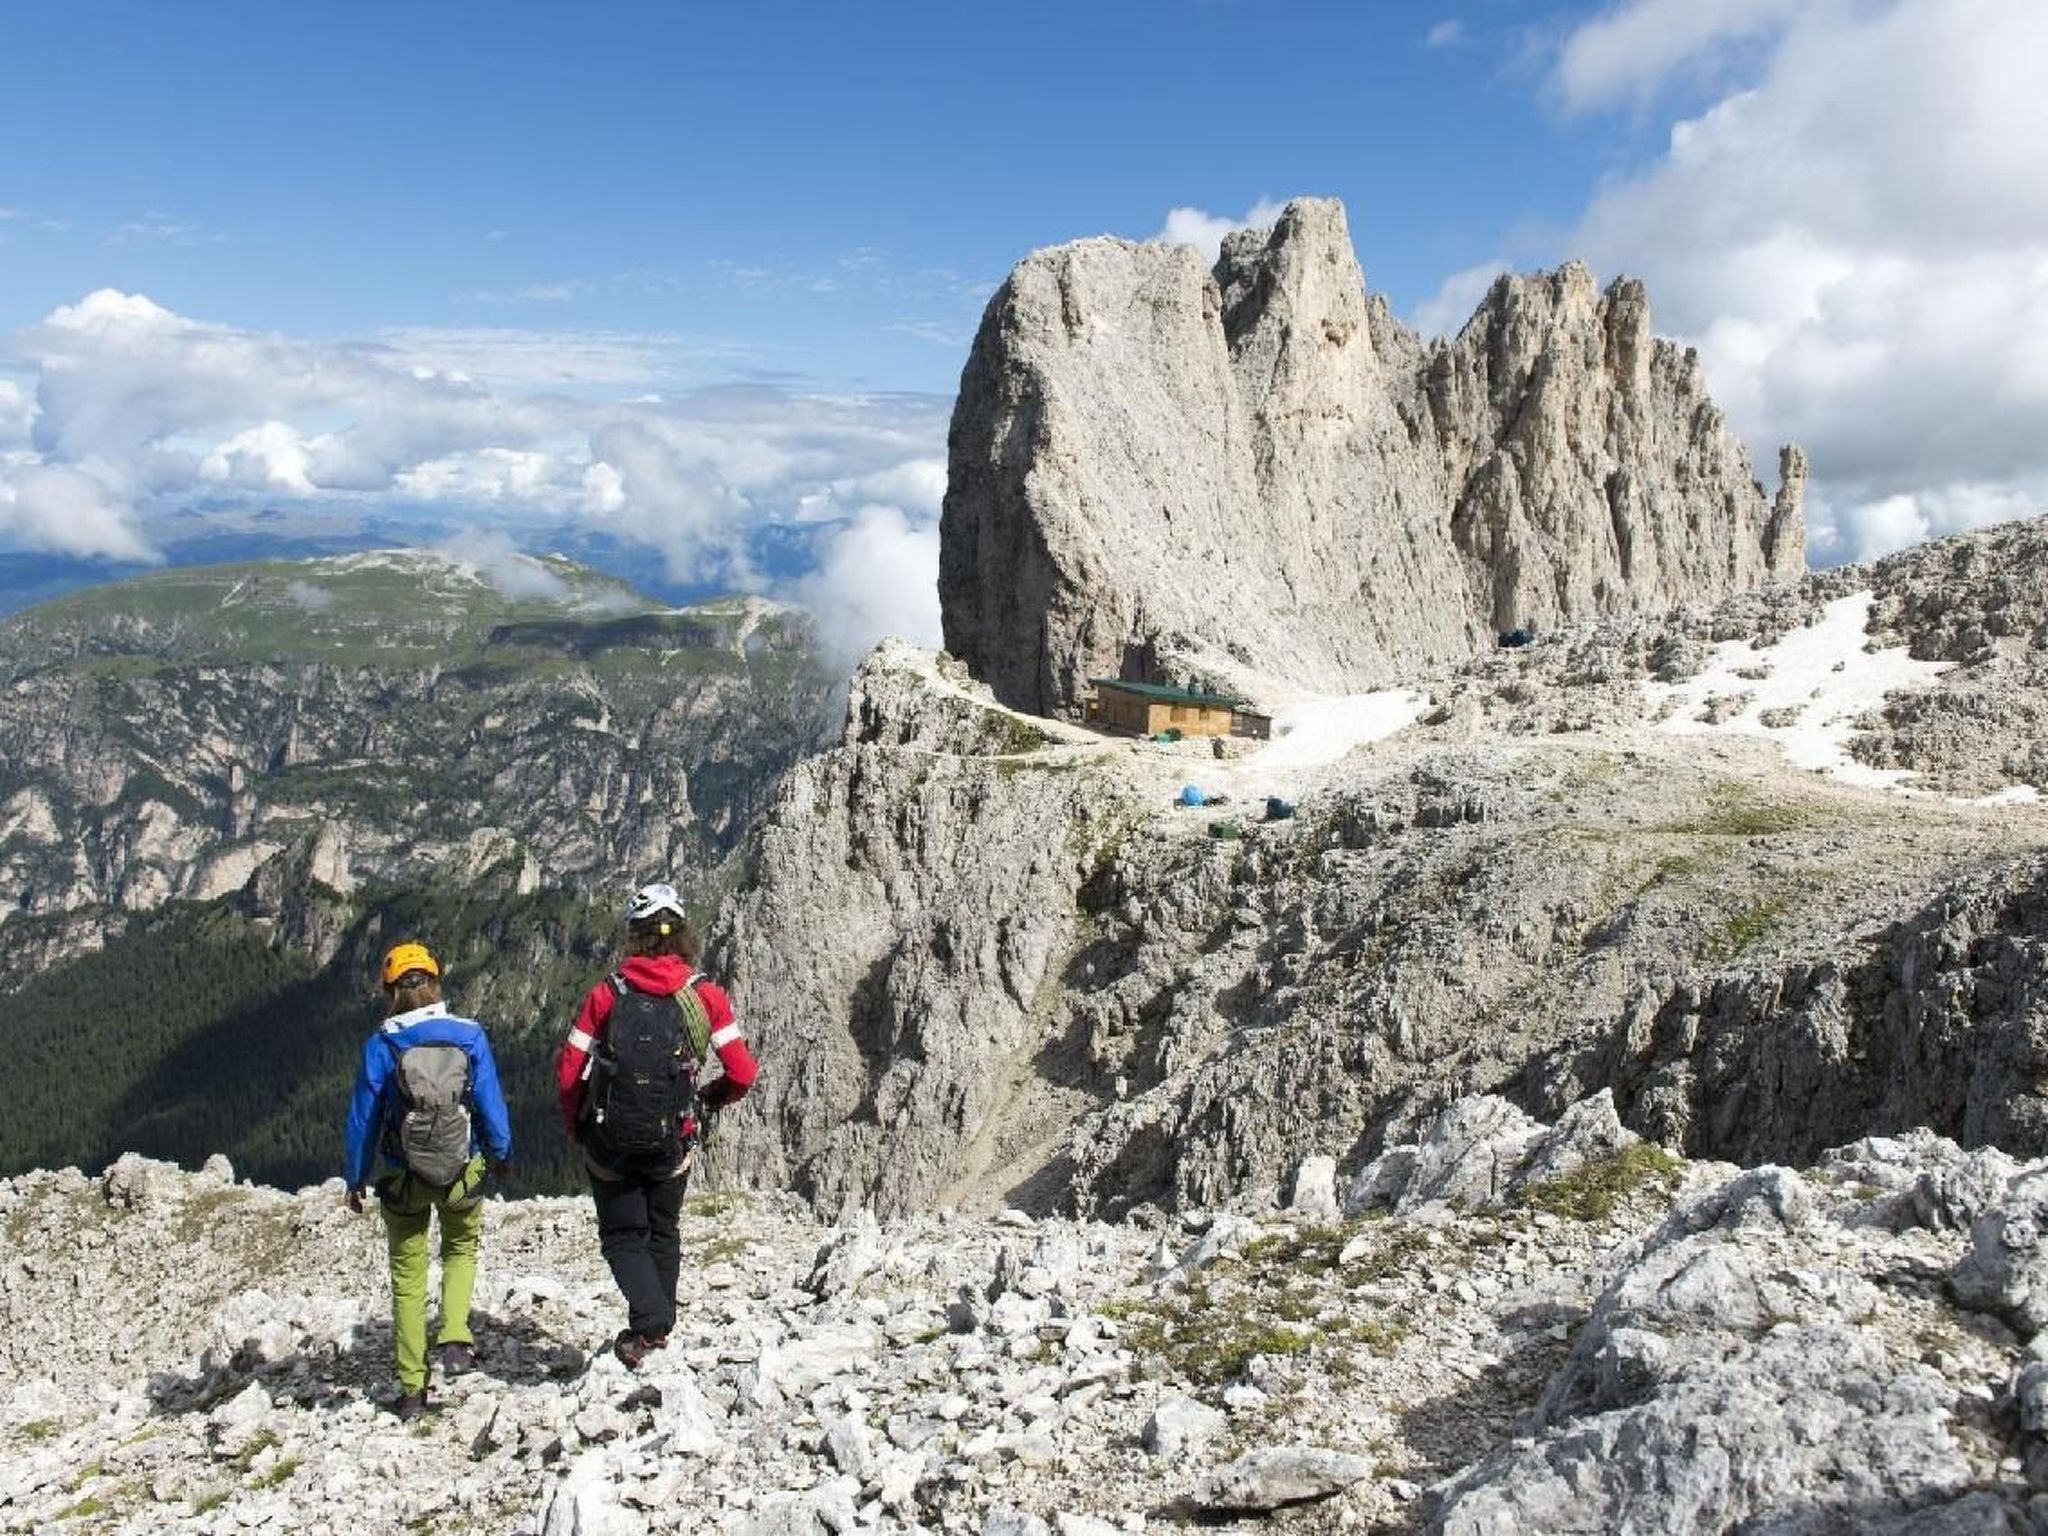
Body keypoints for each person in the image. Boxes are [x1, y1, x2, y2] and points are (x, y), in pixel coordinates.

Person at [556, 882, 758, 1368]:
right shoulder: (705, 995)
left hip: (610, 1141)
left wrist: (578, 1125)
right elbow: (743, 1072)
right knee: (663, 1230)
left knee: (624, 1237)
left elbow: (569, 1072)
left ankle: (649, 1326)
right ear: (683, 934)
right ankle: (656, 1330)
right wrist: (710, 1098)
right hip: (674, 1138)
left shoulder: (607, 993)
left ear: (634, 935)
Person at [344, 941, 513, 1419]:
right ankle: (456, 1337)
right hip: (462, 1171)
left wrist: (355, 1176)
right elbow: (489, 1102)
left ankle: (413, 1390)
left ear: (390, 991)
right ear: (436, 983)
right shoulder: (469, 1035)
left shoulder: (382, 1044)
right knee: (460, 1249)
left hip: (404, 1177)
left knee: (408, 1279)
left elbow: (364, 1119)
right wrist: (500, 1154)